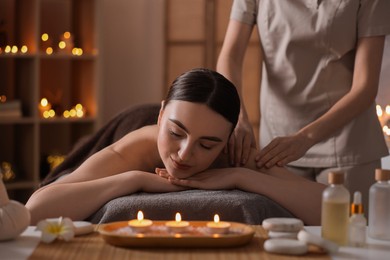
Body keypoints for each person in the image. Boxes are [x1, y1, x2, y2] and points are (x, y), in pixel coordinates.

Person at [26, 68, 325, 225]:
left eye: (206, 145)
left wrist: (241, 177)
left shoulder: (233, 153)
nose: (184, 154)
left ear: (226, 140)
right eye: (176, 133)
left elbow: (330, 208)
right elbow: (36, 209)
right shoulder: (137, 147)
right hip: (132, 122)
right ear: (161, 114)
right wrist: (137, 179)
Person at [217, 0, 390, 211]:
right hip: (277, 145)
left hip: (347, 141)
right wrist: (238, 117)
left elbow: (365, 87)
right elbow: (230, 56)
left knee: (349, 235)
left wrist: (305, 138)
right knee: (282, 237)